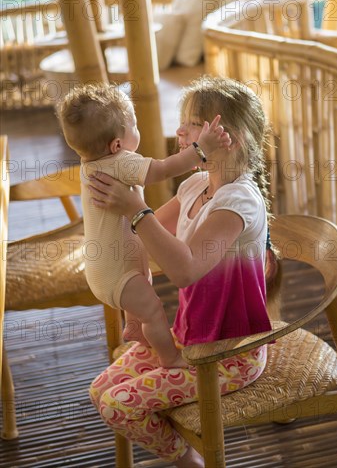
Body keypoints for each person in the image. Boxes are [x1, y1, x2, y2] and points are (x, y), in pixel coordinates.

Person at [88, 76, 276, 468]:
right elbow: (150, 239)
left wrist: (135, 209)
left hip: (229, 354)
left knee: (117, 407)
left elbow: (185, 269)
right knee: (100, 390)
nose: (180, 131)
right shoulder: (195, 185)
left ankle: (190, 461)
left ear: (230, 138)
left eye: (192, 123)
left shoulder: (236, 203)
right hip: (189, 336)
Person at [57, 84, 231, 369]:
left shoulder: (90, 163)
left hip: (105, 269)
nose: (137, 130)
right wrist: (203, 149)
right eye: (134, 125)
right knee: (154, 310)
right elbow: (164, 169)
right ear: (116, 145)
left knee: (144, 285)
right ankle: (170, 358)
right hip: (118, 274)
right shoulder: (120, 162)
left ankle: (134, 326)